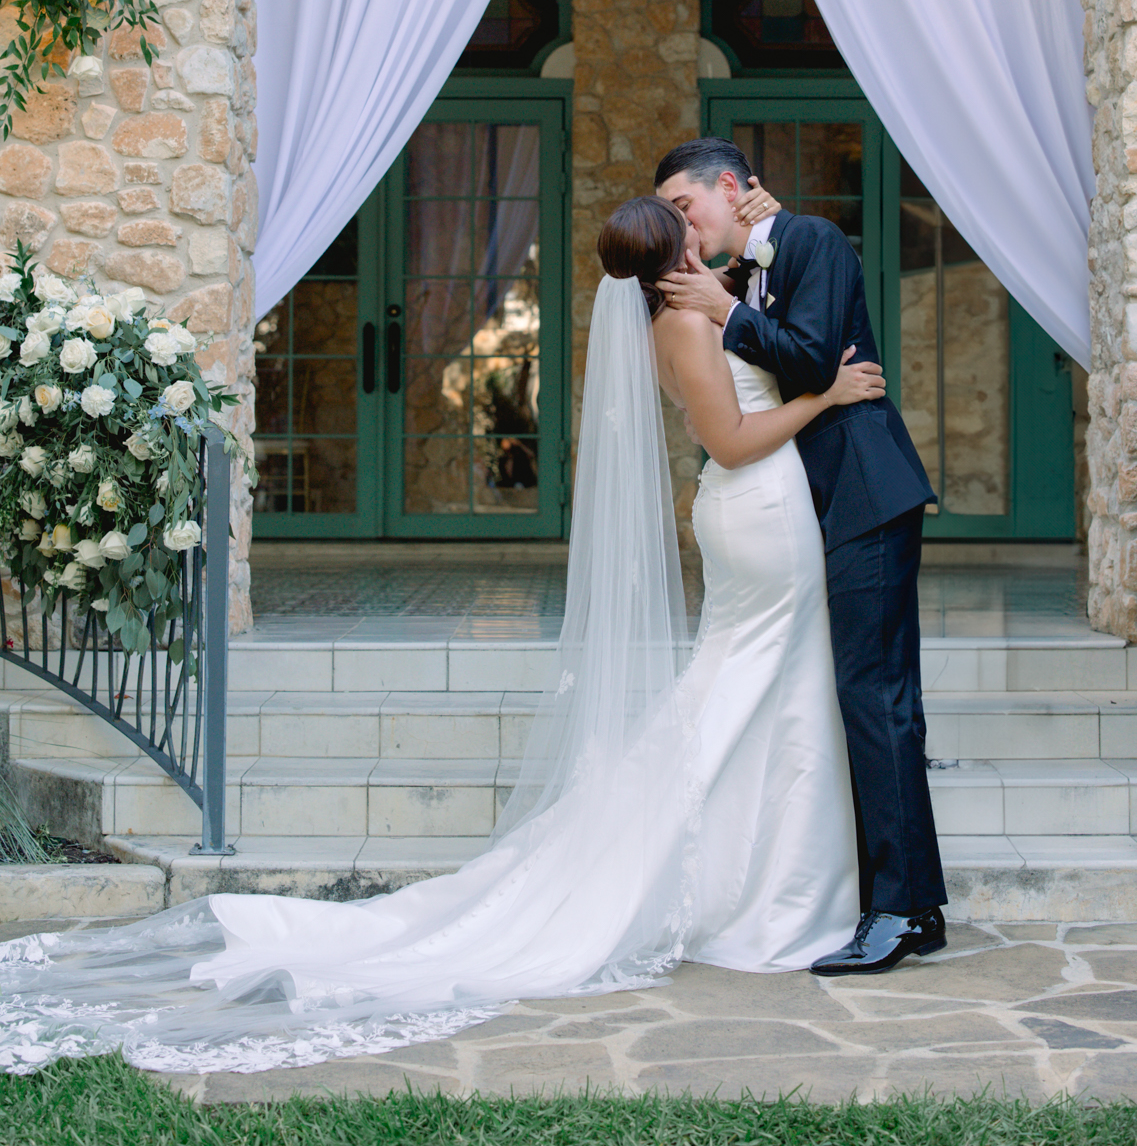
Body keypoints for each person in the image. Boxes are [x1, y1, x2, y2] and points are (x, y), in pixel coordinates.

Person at [0, 198, 882, 1077]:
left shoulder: (698, 306)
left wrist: (760, 252)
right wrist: (827, 396)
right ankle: (755, 891)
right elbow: (728, 442)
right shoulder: (686, 328)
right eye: (687, 219)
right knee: (749, 688)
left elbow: (760, 317)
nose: (704, 225)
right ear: (673, 249)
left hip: (763, 518)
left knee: (756, 689)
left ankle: (760, 878)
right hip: (757, 508)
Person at [655, 136, 948, 976]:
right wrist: (728, 303)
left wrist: (724, 310)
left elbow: (816, 357)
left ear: (729, 187)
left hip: (863, 491)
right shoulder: (744, 273)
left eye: (687, 206)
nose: (686, 226)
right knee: (867, 694)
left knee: (875, 693)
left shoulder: (811, 238)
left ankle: (894, 911)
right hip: (813, 503)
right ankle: (911, 901)